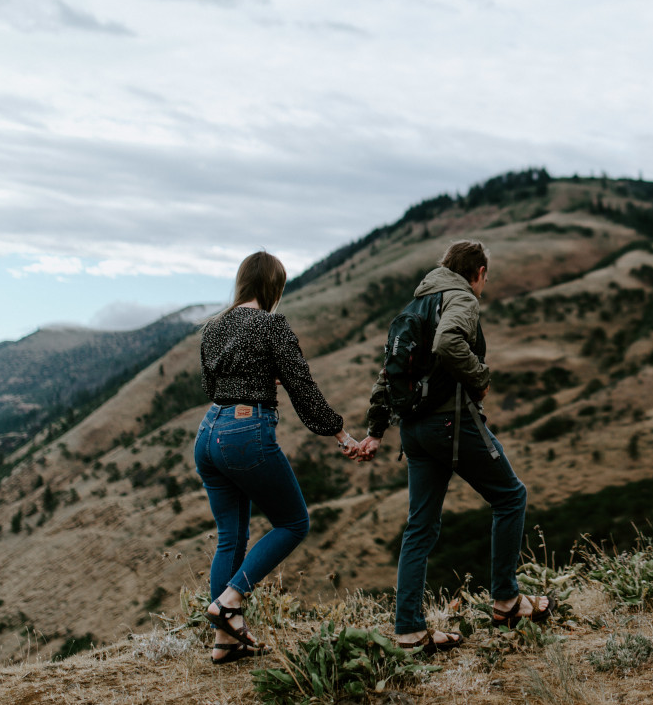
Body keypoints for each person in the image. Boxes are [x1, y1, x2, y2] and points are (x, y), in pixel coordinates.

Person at [355, 240, 552, 652]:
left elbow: (387, 375)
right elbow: (449, 343)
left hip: (414, 432)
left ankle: (408, 630)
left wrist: (376, 431)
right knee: (511, 497)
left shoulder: (415, 307)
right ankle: (506, 601)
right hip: (451, 423)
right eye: (485, 277)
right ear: (478, 273)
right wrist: (480, 376)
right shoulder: (461, 298)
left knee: (420, 527)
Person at [195, 250, 359, 664]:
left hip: (208, 432)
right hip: (246, 432)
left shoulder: (214, 327)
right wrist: (340, 433)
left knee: (230, 537)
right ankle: (230, 602)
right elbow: (300, 384)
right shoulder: (270, 325)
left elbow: (209, 382)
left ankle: (224, 641)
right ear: (273, 288)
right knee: (293, 522)